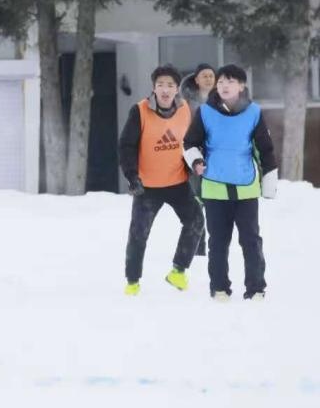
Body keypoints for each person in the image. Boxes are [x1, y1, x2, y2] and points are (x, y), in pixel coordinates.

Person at [182, 64, 278, 301]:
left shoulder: (254, 112)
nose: (224, 85)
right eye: (221, 81)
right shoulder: (205, 112)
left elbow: (264, 148)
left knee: (251, 241)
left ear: (241, 86)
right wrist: (196, 163)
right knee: (218, 242)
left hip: (245, 186)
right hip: (214, 188)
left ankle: (256, 288)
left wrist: (269, 182)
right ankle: (219, 287)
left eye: (231, 81)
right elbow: (190, 143)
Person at [117, 65, 205, 296]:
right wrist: (131, 175)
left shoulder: (185, 109)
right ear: (153, 88)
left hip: (177, 182)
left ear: (177, 89)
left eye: (170, 85)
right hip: (147, 187)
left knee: (196, 220)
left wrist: (194, 163)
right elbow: (126, 146)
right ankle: (132, 282)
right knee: (139, 234)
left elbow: (191, 140)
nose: (165, 90)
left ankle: (178, 271)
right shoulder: (140, 111)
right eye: (160, 85)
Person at [179, 62, 217, 258]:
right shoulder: (185, 102)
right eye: (205, 76)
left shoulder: (221, 100)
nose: (209, 79)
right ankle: (197, 246)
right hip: (192, 154)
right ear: (196, 79)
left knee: (214, 201)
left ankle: (216, 244)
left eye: (211, 76)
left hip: (215, 156)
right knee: (195, 201)